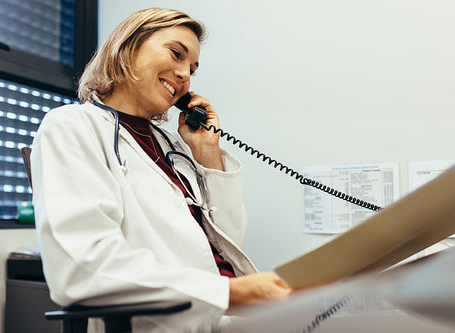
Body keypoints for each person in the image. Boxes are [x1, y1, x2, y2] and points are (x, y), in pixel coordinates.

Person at [31, 7, 291, 333]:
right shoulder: (72, 127)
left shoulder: (173, 145)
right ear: (128, 46)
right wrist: (229, 293)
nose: (185, 75)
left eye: (192, 68)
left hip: (224, 317)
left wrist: (207, 153)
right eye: (176, 54)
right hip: (167, 323)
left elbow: (226, 242)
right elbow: (84, 267)